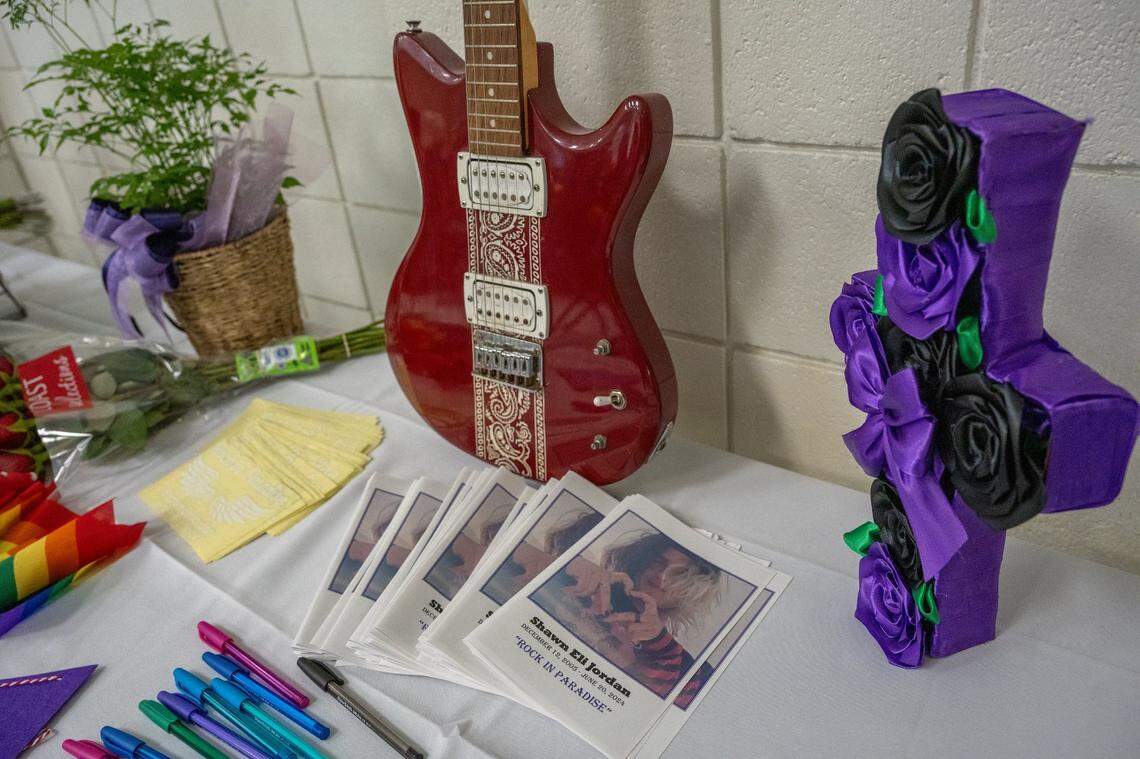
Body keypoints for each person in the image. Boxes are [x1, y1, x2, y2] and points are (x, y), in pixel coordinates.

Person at [538, 529, 723, 700]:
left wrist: (658, 645)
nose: (663, 576)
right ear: (641, 559)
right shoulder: (585, 584)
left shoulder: (691, 670)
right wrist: (562, 567)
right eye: (658, 562)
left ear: (694, 591)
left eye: (680, 574)